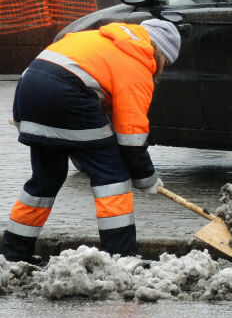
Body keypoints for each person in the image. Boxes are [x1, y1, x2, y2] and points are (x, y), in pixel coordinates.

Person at [1, 20, 181, 263]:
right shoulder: (138, 59)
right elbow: (131, 134)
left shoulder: (101, 39)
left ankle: (12, 255)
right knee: (112, 177)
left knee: (45, 180)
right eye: (165, 65)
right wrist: (145, 177)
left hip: (28, 93)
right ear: (159, 53)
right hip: (65, 95)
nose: (160, 70)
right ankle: (122, 259)